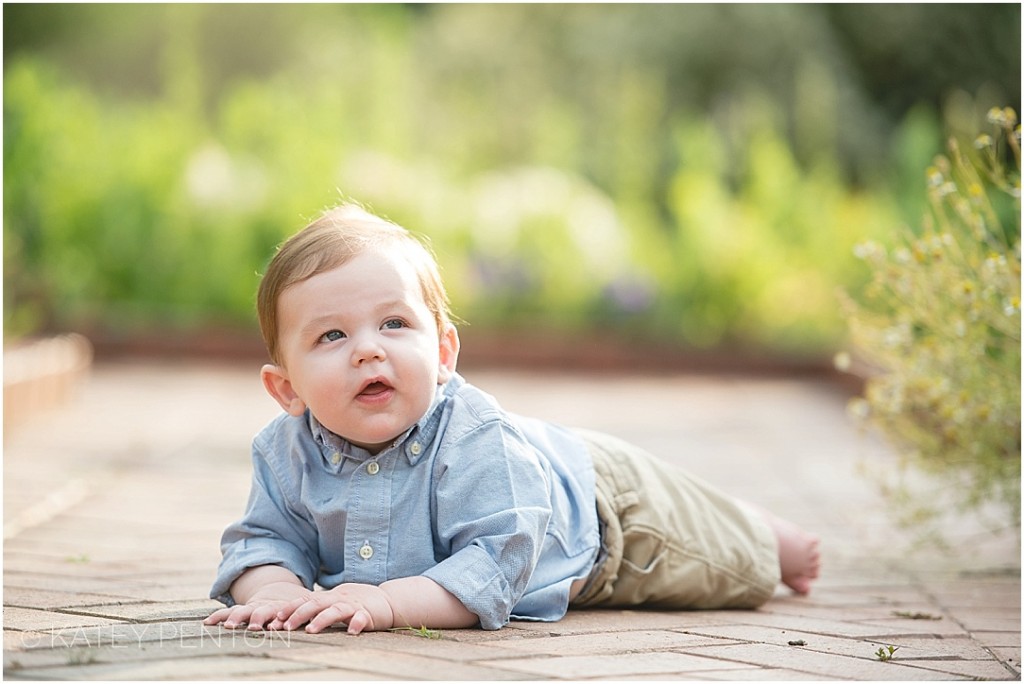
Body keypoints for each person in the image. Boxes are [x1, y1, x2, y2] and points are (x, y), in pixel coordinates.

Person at [204, 203, 820, 636]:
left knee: (732, 563)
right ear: (286, 389)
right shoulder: (284, 452)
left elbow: (495, 562)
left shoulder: (472, 439)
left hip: (613, 521)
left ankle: (768, 532)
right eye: (333, 335)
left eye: (394, 324)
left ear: (443, 353)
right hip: (547, 467)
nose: (370, 348)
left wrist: (387, 602)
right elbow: (263, 541)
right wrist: (274, 593)